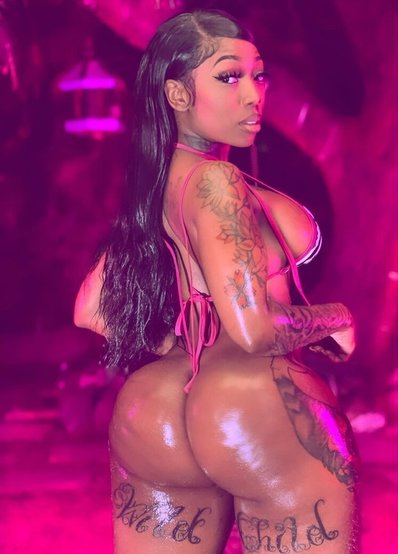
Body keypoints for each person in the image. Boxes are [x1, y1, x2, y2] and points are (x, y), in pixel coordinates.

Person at [74, 9, 359, 554]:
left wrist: (171, 342)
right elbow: (253, 330)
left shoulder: (157, 183)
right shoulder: (216, 181)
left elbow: (91, 307)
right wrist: (336, 319)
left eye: (259, 75)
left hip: (157, 406)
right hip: (255, 401)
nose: (253, 95)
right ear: (178, 94)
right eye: (229, 76)